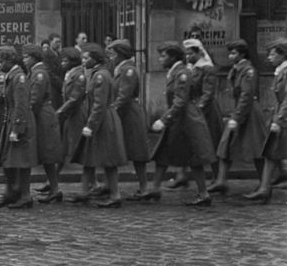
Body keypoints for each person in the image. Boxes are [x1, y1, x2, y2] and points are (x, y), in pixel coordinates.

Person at [145, 42, 216, 206]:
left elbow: (180, 101)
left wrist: (163, 119)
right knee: (163, 153)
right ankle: (155, 188)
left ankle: (204, 194)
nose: (160, 59)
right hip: (179, 119)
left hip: (186, 120)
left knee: (194, 156)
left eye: (163, 56)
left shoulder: (182, 73)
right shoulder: (175, 72)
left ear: (173, 57)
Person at [243, 38, 287, 204]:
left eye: (272, 54)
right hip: (284, 114)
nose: (269, 57)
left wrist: (280, 120)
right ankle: (264, 188)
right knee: (271, 152)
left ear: (283, 55)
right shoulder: (283, 70)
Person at [69, 43, 127, 207]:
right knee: (89, 157)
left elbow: (99, 104)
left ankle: (115, 195)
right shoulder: (96, 74)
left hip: (103, 120)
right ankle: (84, 191)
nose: (83, 61)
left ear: (95, 60)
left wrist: (91, 124)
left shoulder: (100, 76)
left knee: (109, 159)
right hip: (99, 119)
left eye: (86, 58)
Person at [209, 39, 266, 194]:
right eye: (230, 53)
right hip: (239, 111)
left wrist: (237, 117)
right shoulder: (236, 69)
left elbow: (246, 96)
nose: (230, 57)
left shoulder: (248, 71)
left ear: (242, 54)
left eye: (234, 53)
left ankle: (264, 185)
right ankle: (221, 180)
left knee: (257, 149)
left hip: (249, 113)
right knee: (225, 145)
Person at [0, 46, 38, 209]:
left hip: (19, 121)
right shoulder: (12, 75)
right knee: (9, 159)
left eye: (1, 61)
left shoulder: (18, 77)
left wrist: (17, 128)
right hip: (11, 119)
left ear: (10, 60)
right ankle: (11, 192)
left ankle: (25, 195)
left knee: (21, 161)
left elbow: (21, 105)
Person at [106, 40, 151, 199]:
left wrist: (111, 112)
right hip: (122, 113)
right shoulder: (119, 69)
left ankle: (144, 187)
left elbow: (124, 96)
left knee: (137, 152)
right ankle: (110, 186)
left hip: (129, 114)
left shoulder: (128, 71)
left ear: (120, 54)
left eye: (112, 53)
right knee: (117, 150)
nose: (110, 57)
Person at [22, 45, 64, 203]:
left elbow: (35, 98)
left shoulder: (39, 73)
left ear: (34, 57)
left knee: (48, 153)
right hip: (41, 114)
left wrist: (27, 115)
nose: (24, 60)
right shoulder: (35, 71)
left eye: (26, 57)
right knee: (47, 155)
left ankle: (55, 189)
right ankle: (54, 188)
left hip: (42, 116)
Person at [183, 37, 222, 180]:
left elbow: (208, 93)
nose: (188, 57)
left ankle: (218, 176)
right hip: (194, 108)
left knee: (212, 141)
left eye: (191, 54)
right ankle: (183, 175)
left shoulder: (207, 68)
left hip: (207, 110)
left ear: (199, 53)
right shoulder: (190, 69)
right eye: (186, 54)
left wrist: (198, 109)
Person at [55, 48, 87, 176]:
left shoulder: (78, 75)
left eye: (65, 61)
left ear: (72, 62)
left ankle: (91, 183)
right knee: (64, 148)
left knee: (78, 149)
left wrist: (60, 111)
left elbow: (75, 97)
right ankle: (52, 181)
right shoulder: (70, 73)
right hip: (70, 114)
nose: (62, 63)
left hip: (77, 113)